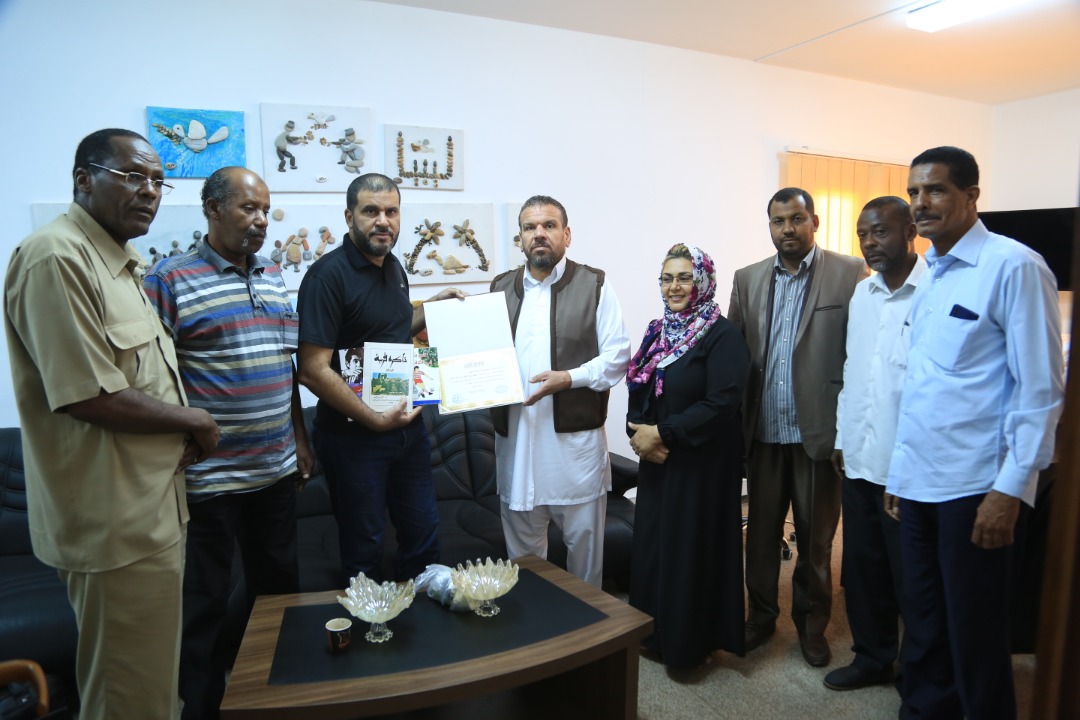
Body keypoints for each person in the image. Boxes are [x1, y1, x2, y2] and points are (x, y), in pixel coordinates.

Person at [3, 128, 220, 720]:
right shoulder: (56, 257)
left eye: (158, 181)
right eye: (132, 177)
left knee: (152, 685)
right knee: (127, 697)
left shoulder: (121, 264)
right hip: (114, 526)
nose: (149, 191)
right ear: (84, 180)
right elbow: (89, 396)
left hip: (151, 511)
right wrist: (196, 420)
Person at [886, 147, 1064, 718]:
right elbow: (923, 387)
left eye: (935, 190)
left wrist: (1010, 490)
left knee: (976, 634)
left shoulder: (1014, 266)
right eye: (914, 193)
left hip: (976, 488)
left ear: (971, 196)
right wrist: (900, 475)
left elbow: (1041, 390)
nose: (921, 203)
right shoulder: (931, 273)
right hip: (920, 483)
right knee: (923, 626)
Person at [142, 166, 315, 720]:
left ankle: (274, 696)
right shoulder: (169, 280)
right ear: (212, 209)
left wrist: (300, 437)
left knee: (279, 593)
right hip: (209, 478)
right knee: (205, 604)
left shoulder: (274, 275)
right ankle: (202, 707)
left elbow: (286, 368)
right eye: (248, 208)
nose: (261, 220)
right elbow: (150, 378)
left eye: (265, 209)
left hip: (275, 469)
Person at [296, 172, 462, 584]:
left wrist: (432, 307)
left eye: (391, 211)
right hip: (353, 438)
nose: (383, 221)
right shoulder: (326, 277)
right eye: (371, 211)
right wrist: (374, 420)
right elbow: (312, 370)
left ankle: (424, 621)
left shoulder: (393, 267)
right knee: (364, 548)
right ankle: (369, 622)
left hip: (407, 431)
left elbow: (394, 330)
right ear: (349, 216)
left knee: (423, 538)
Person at [727, 187, 868, 667]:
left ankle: (811, 625)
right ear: (769, 225)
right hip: (763, 433)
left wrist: (848, 432)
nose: (787, 228)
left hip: (819, 436)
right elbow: (735, 357)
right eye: (778, 221)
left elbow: (860, 356)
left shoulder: (850, 273)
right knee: (761, 536)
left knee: (815, 539)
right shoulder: (747, 279)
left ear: (814, 222)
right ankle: (761, 616)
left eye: (796, 219)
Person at [489, 195, 631, 588]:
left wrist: (568, 378)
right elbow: (481, 359)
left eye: (549, 225)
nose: (539, 234)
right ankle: (536, 624)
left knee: (585, 566)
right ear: (520, 238)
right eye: (530, 227)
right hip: (516, 452)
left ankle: (589, 627)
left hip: (573, 456)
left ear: (566, 235)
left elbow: (618, 357)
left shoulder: (594, 285)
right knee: (524, 567)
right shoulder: (499, 288)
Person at [625, 243, 750, 670]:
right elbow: (638, 385)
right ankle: (653, 633)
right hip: (658, 461)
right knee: (654, 546)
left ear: (703, 281)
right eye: (667, 278)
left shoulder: (723, 335)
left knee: (689, 551)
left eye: (684, 277)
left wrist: (663, 433)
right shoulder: (657, 331)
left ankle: (687, 647)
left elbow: (722, 402)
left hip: (701, 464)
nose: (674, 287)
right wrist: (638, 433)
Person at [822, 196, 926, 692]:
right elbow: (853, 370)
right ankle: (872, 658)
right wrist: (843, 437)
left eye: (880, 232)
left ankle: (918, 671)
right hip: (859, 457)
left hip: (907, 467)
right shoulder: (862, 294)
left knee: (912, 576)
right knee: (863, 568)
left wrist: (909, 463)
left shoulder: (933, 291)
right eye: (863, 234)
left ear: (910, 231)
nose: (870, 243)